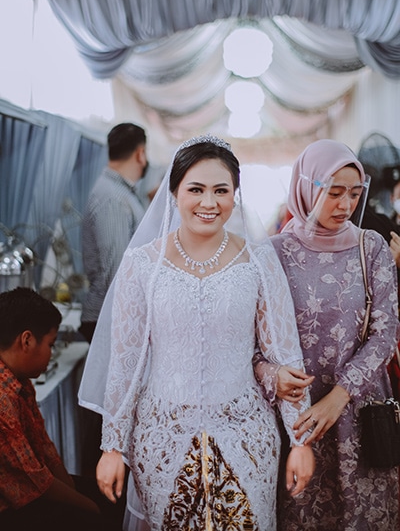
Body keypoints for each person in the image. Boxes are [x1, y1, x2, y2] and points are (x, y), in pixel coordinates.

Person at [78, 135, 315, 531]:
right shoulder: (141, 265)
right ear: (174, 192)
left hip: (246, 433)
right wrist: (112, 446)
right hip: (160, 437)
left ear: (235, 195)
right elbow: (126, 362)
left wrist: (300, 441)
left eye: (221, 190)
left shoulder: (259, 260)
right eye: (196, 189)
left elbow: (285, 356)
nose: (209, 203)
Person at [255, 139, 400, 530]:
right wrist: (273, 376)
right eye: (333, 193)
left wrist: (340, 397)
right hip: (298, 418)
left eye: (355, 194)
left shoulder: (370, 248)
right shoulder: (272, 253)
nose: (345, 205)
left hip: (361, 412)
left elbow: (386, 333)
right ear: (306, 188)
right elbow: (254, 346)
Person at [0, 287, 105, 531]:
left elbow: (44, 447)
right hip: (9, 510)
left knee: (107, 495)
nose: (51, 354)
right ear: (26, 340)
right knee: (99, 516)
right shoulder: (3, 399)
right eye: (50, 344)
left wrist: (74, 491)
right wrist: (89, 507)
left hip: (32, 491)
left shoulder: (20, 380)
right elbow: (36, 480)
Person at [80, 122, 148, 344]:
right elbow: (117, 269)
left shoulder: (120, 193)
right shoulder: (113, 198)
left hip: (116, 316)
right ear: (140, 153)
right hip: (109, 319)